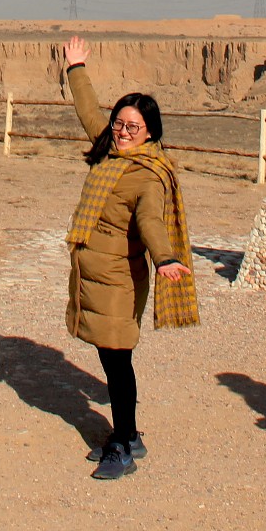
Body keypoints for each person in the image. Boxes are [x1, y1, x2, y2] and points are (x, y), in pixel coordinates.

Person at [59, 35, 198, 482]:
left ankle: (122, 444)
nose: (120, 132)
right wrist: (76, 68)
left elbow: (151, 221)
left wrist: (165, 258)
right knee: (109, 355)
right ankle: (129, 433)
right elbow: (88, 111)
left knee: (118, 360)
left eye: (132, 127)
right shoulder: (109, 153)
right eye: (119, 124)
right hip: (94, 273)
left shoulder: (147, 175)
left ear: (151, 133)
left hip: (119, 279)